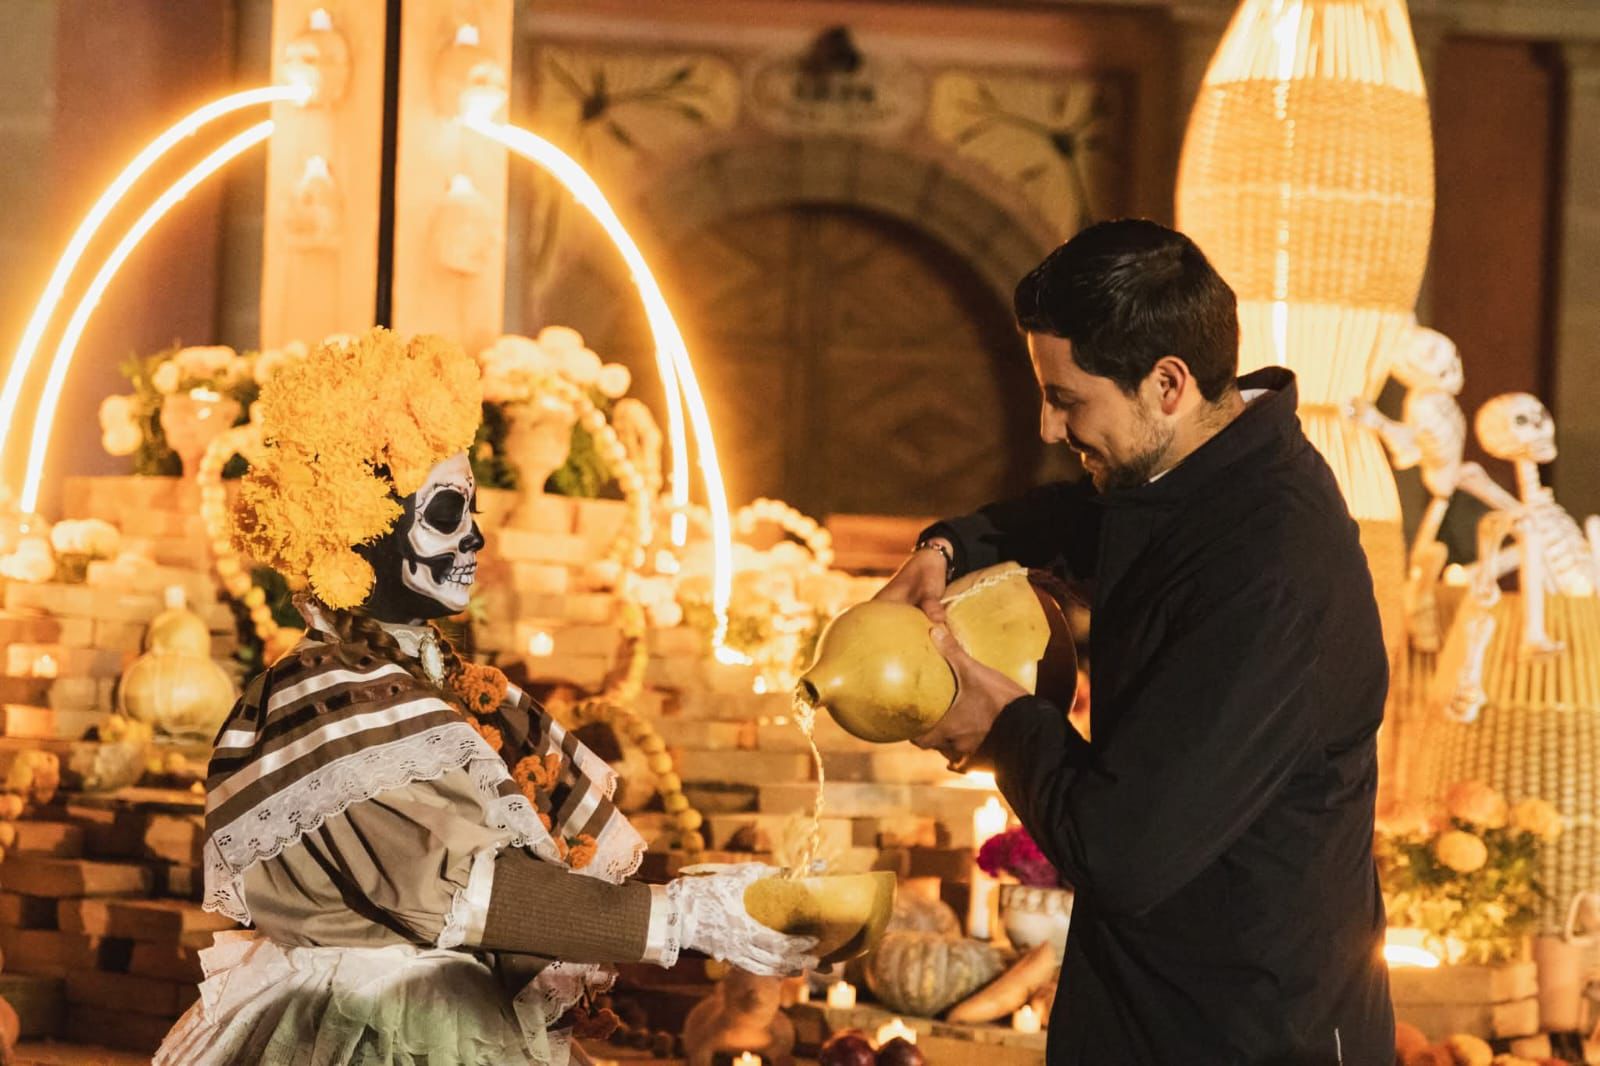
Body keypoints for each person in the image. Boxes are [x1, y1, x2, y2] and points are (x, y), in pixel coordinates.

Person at [156, 329, 815, 1066]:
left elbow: (520, 873)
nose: (475, 539)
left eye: (473, 511)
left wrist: (712, 899)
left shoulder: (436, 682)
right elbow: (457, 890)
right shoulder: (326, 697)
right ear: (360, 531)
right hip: (372, 1030)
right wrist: (686, 918)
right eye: (446, 514)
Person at [876, 220, 1393, 1064]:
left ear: (1167, 383)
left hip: (1249, 1031)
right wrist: (948, 548)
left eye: (1067, 399)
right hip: (1149, 1010)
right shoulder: (1197, 479)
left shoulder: (1270, 565)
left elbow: (1122, 850)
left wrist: (1001, 724)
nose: (1048, 428)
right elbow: (1086, 520)